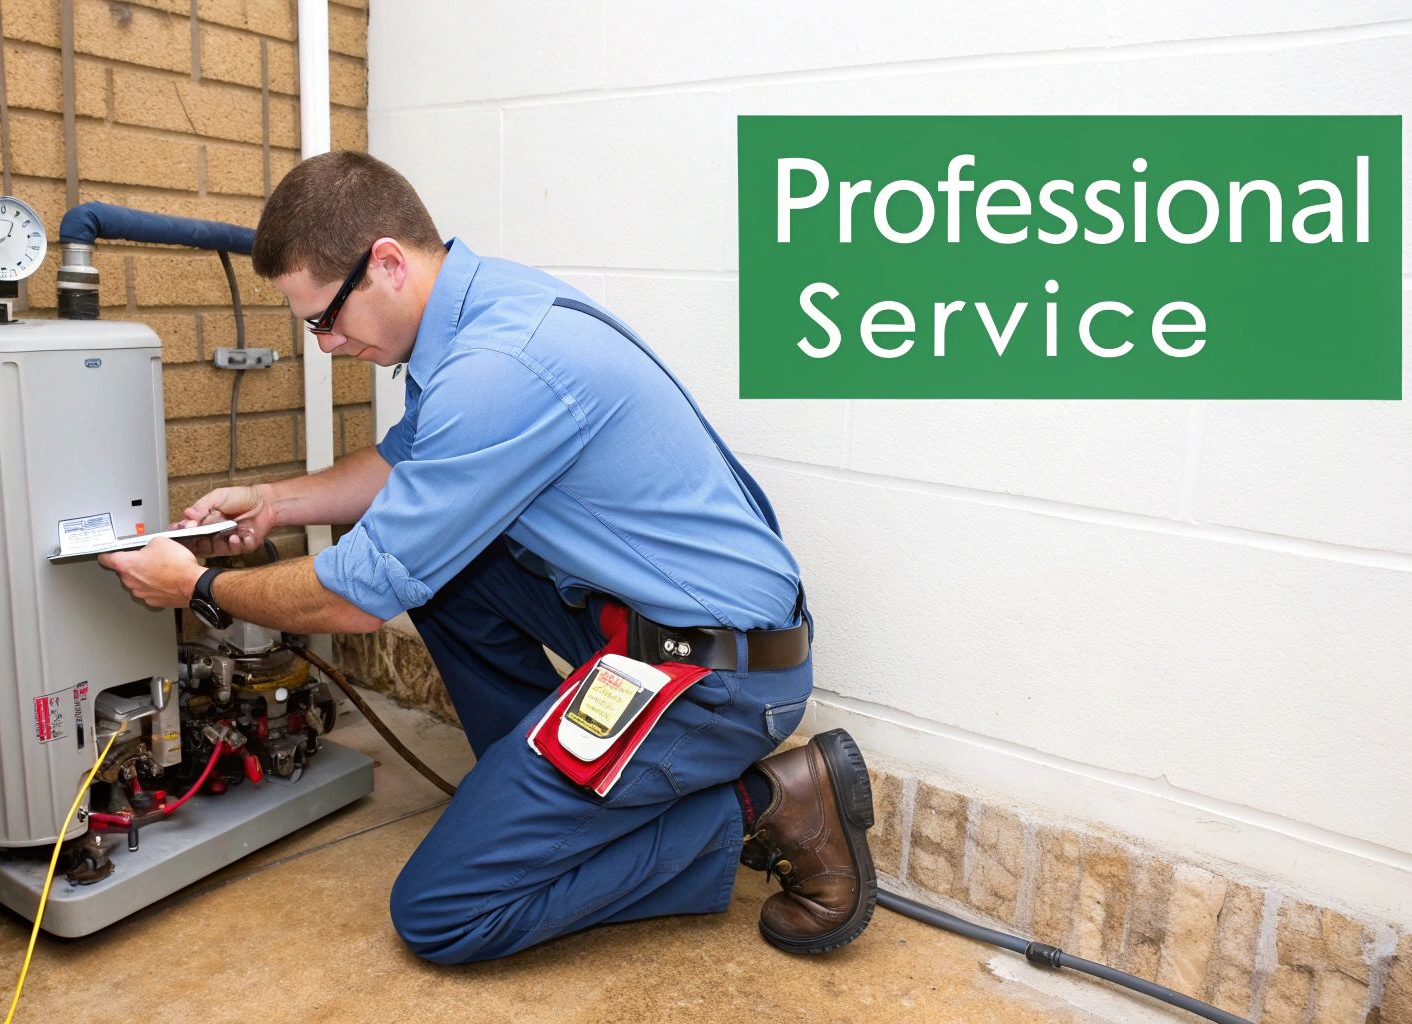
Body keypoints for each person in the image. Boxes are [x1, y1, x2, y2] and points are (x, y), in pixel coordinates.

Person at [99, 151, 877, 962]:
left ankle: (772, 801)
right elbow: (408, 467)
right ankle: (544, 805)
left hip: (715, 679)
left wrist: (201, 587)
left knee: (442, 913)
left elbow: (358, 596)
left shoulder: (497, 370)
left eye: (323, 320)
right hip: (652, 622)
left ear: (387, 264)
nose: (325, 345)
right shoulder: (481, 307)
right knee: (451, 576)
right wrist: (276, 502)